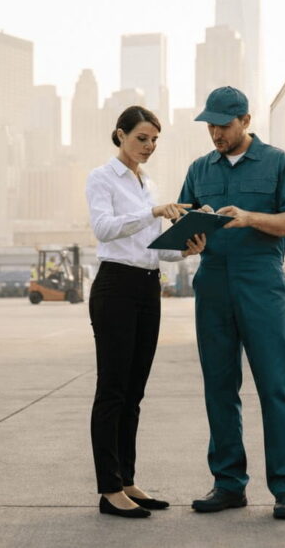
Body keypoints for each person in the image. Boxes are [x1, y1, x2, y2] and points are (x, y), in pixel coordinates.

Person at [179, 86, 285, 520]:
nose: (216, 133)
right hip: (213, 286)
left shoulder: (278, 163)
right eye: (211, 125)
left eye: (224, 124)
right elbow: (183, 226)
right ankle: (228, 484)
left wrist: (250, 217)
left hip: (262, 286)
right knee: (219, 387)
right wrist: (188, 242)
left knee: (276, 388)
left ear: (246, 121)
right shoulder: (199, 169)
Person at [85, 105, 206, 519]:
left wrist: (187, 247)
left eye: (155, 140)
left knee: (134, 391)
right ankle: (108, 489)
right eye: (142, 138)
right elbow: (104, 228)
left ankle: (128, 479)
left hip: (146, 288)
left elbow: (157, 249)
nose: (149, 146)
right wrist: (152, 212)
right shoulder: (102, 178)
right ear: (120, 135)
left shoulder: (148, 184)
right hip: (114, 287)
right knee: (112, 390)